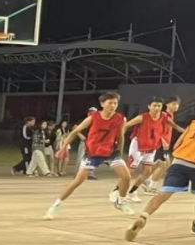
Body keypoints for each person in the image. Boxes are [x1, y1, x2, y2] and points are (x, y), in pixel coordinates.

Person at [125, 101, 195, 241]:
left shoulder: (194, 124)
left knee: (164, 193)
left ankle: (144, 216)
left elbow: (176, 145)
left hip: (179, 162)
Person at [44, 92, 135, 220]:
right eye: (110, 103)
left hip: (110, 151)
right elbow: (74, 132)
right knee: (77, 181)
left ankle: (121, 201)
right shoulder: (93, 117)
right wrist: (62, 148)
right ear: (102, 104)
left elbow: (120, 135)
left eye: (115, 103)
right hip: (93, 153)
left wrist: (120, 150)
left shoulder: (120, 118)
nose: (113, 106)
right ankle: (56, 205)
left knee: (126, 177)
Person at [143, 96, 183, 194]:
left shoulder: (170, 115)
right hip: (161, 144)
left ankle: (146, 180)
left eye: (177, 104)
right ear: (167, 105)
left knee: (160, 165)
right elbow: (157, 129)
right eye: (173, 104)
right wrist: (162, 141)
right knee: (163, 166)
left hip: (164, 144)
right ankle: (151, 186)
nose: (176, 106)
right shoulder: (163, 115)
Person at [75, 107, 98, 180]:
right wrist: (80, 135)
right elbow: (75, 128)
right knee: (81, 157)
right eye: (91, 112)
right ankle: (78, 173)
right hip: (84, 142)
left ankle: (90, 173)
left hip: (94, 142)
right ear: (88, 113)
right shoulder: (84, 121)